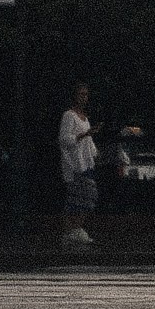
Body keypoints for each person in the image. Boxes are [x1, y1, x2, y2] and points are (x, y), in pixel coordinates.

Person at [58, 82, 98, 250]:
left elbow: (87, 140)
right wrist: (83, 135)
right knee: (76, 197)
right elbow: (65, 139)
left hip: (86, 162)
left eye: (86, 95)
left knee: (87, 196)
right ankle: (70, 231)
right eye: (81, 94)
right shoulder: (69, 116)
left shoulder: (85, 118)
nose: (84, 98)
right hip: (75, 163)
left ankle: (76, 229)